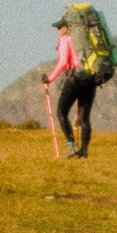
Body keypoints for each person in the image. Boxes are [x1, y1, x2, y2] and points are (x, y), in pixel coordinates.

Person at [45, 14, 97, 158]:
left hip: (75, 79)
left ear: (67, 27)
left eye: (59, 27)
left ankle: (71, 145)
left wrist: (49, 79)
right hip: (91, 78)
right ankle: (84, 151)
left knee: (61, 112)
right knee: (84, 117)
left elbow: (62, 62)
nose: (58, 30)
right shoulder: (86, 38)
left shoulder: (65, 39)